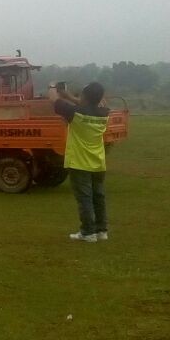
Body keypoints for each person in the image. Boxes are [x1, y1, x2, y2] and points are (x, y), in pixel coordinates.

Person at [50, 81, 111, 242]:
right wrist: (69, 96)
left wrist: (52, 86)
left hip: (79, 162)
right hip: (98, 162)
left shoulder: (76, 113)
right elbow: (87, 105)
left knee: (85, 198)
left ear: (85, 96)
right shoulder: (104, 112)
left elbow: (54, 100)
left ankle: (88, 232)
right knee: (98, 197)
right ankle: (101, 230)